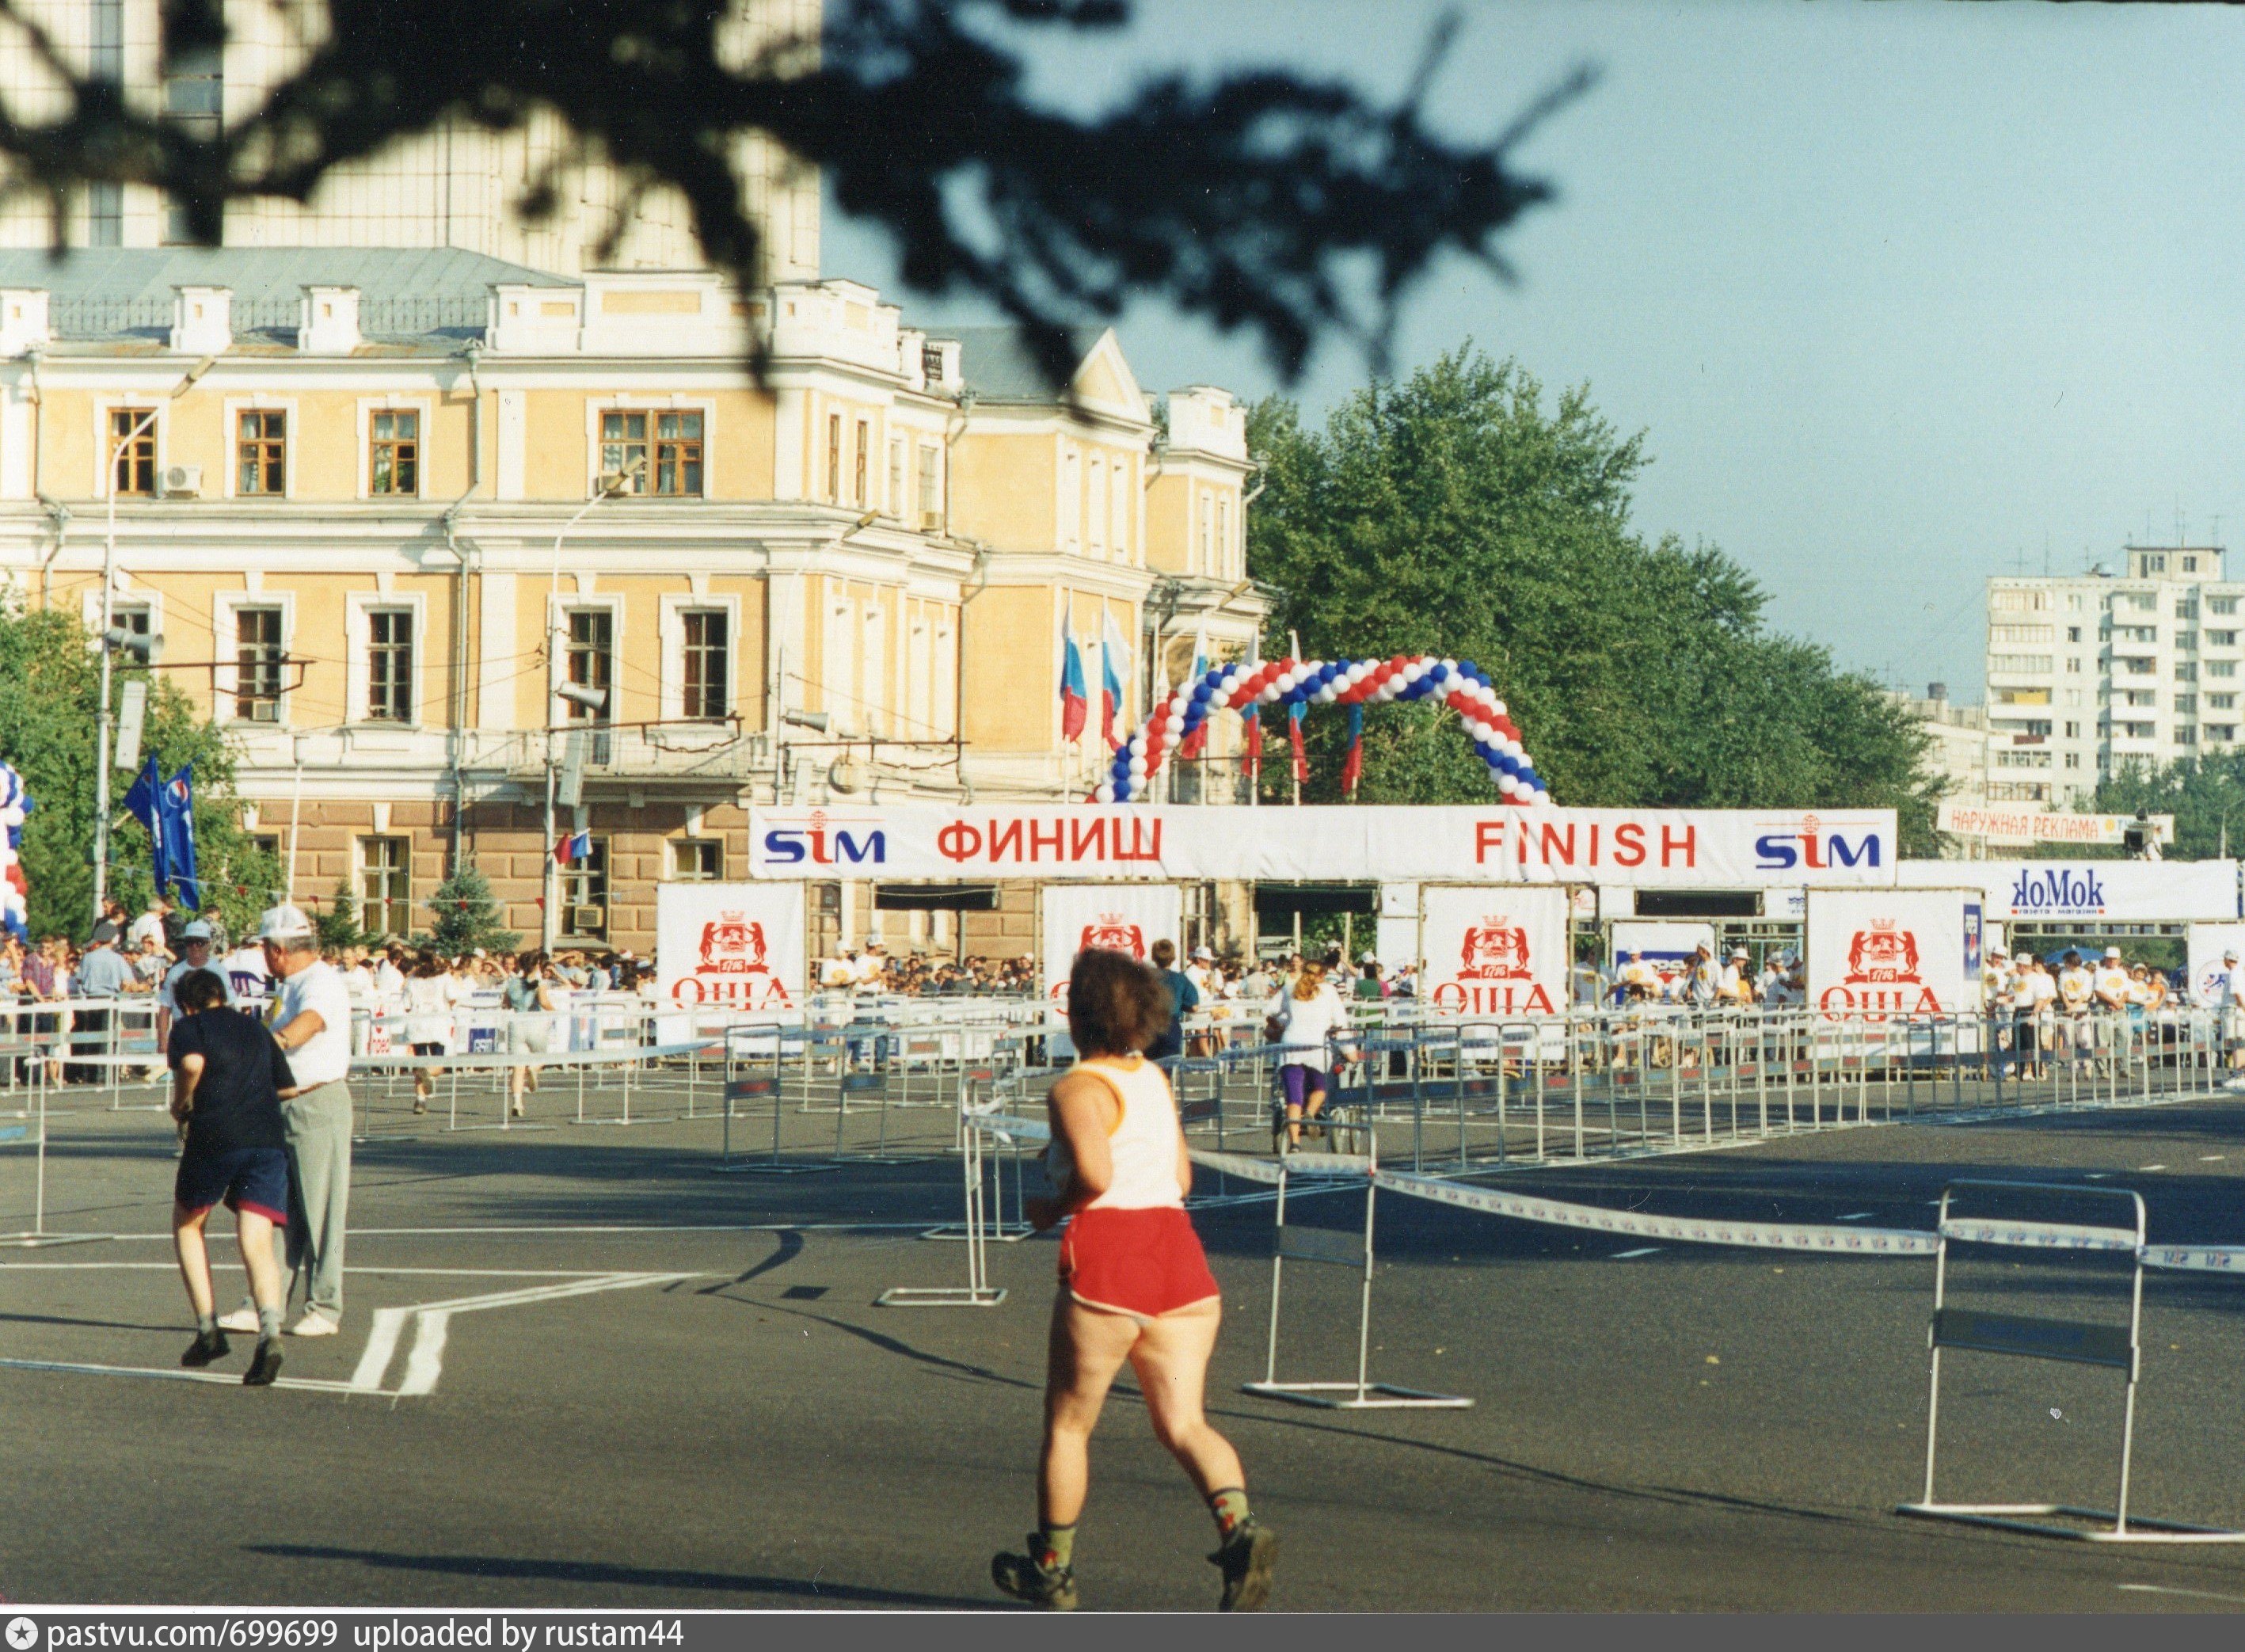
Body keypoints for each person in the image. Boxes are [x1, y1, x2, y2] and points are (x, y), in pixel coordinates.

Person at [991, 947, 1277, 1613]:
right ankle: (1239, 1530)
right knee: (1183, 1422)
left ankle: (1053, 1569)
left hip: (1111, 1256)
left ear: (1075, 1012)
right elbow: (1179, 1179)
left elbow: (1095, 1177)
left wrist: (1049, 1207)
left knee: (1068, 1425)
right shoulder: (1152, 1077)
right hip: (1178, 1257)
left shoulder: (1074, 1088)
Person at [222, 904, 355, 1338]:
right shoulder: (292, 983)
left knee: (320, 1211)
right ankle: (264, 1301)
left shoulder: (320, 982)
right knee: (272, 1210)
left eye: (263, 947)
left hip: (316, 1104)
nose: (262, 955)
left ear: (278, 950)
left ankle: (324, 1306)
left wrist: (270, 1047)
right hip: (283, 1106)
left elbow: (309, 1024)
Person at [167, 967, 293, 1386]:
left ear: (187, 1004)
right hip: (267, 1136)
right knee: (257, 1239)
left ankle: (207, 1328)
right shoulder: (255, 1028)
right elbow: (287, 1087)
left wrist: (181, 1102)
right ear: (223, 995)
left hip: (216, 1133)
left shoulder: (190, 1026)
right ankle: (270, 1334)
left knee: (188, 1222)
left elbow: (191, 1062)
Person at [1265, 958, 1349, 1150]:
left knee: (1293, 1097)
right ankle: (1309, 1114)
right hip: (1317, 1047)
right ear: (1322, 975)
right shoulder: (1328, 991)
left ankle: (1295, 1143)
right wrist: (1349, 1051)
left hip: (1291, 1045)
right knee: (1320, 1088)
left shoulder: (1289, 988)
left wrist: (1277, 1025)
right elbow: (1341, 1022)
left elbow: (1269, 1011)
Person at [158, 919, 234, 1049]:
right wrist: (162, 1040)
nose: (195, 947)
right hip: (183, 1032)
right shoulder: (174, 972)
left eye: (200, 942)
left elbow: (230, 1005)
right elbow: (165, 1008)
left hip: (212, 1034)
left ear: (208, 944)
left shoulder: (219, 971)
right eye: (190, 942)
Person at [504, 950, 557, 1117]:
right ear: (536, 966)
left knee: (517, 1067)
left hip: (517, 1023)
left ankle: (517, 1102)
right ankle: (533, 1069)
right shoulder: (540, 982)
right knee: (543, 1056)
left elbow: (506, 1004)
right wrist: (555, 1011)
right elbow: (543, 1001)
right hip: (535, 1022)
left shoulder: (512, 982)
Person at [403, 950, 457, 1115]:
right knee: (440, 1063)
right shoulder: (444, 976)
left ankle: (420, 1101)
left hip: (418, 1023)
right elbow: (453, 997)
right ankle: (429, 1074)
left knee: (421, 1062)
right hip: (437, 1023)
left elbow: (406, 1004)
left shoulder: (412, 978)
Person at [1147, 938, 1198, 1062]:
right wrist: (1180, 1005)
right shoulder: (1180, 979)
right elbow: (1194, 1007)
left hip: (1148, 1026)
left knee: (1150, 1067)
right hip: (1170, 1025)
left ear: (1153, 957)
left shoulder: (1144, 977)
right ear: (1173, 957)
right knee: (1169, 1065)